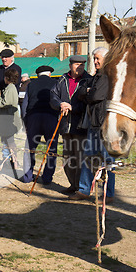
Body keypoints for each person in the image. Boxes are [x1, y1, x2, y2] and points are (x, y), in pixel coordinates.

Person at [74, 47, 116, 203]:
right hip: (93, 123)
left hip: (105, 124)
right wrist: (88, 91)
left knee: (108, 160)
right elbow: (81, 92)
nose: (96, 61)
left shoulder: (107, 76)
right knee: (89, 157)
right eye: (94, 58)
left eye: (98, 58)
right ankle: (84, 190)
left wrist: (88, 92)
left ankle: (108, 194)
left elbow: (96, 95)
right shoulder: (95, 77)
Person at [50, 55, 91, 195]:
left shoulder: (89, 80)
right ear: (70, 65)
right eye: (76, 64)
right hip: (65, 124)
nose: (79, 67)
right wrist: (60, 104)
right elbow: (53, 96)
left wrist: (74, 107)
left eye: (82, 65)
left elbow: (89, 102)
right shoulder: (62, 79)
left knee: (80, 157)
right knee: (68, 157)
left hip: (81, 125)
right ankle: (73, 185)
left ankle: (81, 187)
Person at [21, 65, 59, 185]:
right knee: (51, 149)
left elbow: (24, 106)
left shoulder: (31, 84)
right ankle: (47, 177)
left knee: (30, 148)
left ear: (38, 75)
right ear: (49, 74)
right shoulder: (56, 83)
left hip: (34, 117)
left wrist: (25, 121)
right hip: (51, 117)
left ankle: (27, 176)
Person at [0, 68, 22, 167]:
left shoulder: (10, 88)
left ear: (7, 78)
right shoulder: (11, 88)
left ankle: (14, 161)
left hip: (9, 120)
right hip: (8, 120)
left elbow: (4, 104)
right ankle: (8, 159)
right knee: (7, 141)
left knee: (10, 141)